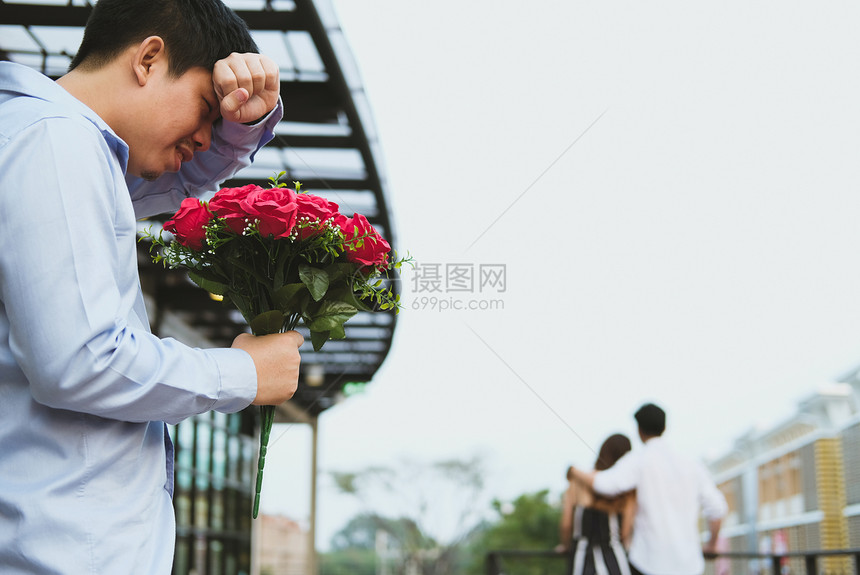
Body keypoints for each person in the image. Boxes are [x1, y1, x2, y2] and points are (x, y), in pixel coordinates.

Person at [0, 0, 304, 572]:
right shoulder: (56, 143)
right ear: (148, 58)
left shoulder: (68, 146)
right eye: (206, 109)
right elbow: (81, 360)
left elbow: (174, 181)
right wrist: (241, 374)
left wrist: (241, 127)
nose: (204, 137)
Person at [570, 404, 728, 575]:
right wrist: (711, 545)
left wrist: (573, 471)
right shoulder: (692, 464)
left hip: (648, 563)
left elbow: (606, 485)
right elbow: (717, 509)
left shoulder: (639, 460)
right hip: (689, 566)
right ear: (665, 427)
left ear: (639, 430)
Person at [557, 434, 636, 575]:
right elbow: (625, 533)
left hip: (581, 557)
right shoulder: (627, 491)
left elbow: (566, 524)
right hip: (614, 558)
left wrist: (565, 545)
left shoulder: (577, 483)